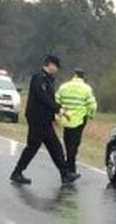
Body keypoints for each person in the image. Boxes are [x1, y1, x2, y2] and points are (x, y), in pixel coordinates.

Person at [10, 54, 75, 185]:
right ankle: (17, 172)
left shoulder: (48, 80)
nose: (56, 69)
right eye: (56, 66)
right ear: (49, 64)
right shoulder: (39, 78)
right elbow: (42, 97)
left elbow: (50, 100)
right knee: (33, 146)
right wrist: (58, 110)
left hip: (45, 119)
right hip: (37, 118)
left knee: (54, 146)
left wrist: (58, 110)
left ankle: (65, 174)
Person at [56, 68, 97, 177]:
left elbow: (56, 101)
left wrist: (60, 114)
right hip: (79, 120)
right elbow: (92, 106)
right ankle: (71, 168)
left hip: (66, 119)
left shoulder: (63, 86)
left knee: (67, 142)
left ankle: (68, 165)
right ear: (83, 78)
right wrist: (90, 115)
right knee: (74, 145)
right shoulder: (86, 89)